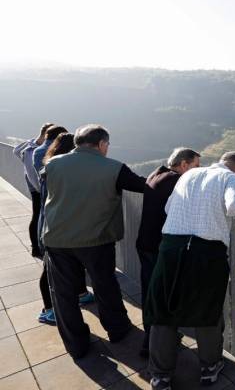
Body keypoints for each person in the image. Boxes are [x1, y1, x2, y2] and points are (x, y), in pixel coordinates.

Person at [145, 152, 235, 390]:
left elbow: (169, 207)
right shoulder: (231, 178)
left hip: (170, 249)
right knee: (208, 309)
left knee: (164, 310)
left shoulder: (189, 174)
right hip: (207, 253)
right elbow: (234, 206)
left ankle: (160, 376)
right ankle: (209, 367)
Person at [42, 124, 146, 359]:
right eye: (107, 145)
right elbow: (143, 186)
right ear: (101, 144)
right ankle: (118, 330)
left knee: (63, 294)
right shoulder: (114, 168)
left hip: (57, 238)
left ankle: (76, 345)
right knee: (105, 285)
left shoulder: (52, 164)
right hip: (96, 240)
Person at [136, 147, 201, 357]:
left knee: (150, 291)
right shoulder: (177, 181)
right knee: (163, 295)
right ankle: (157, 345)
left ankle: (152, 338)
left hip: (145, 242)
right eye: (196, 166)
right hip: (160, 246)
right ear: (184, 165)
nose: (198, 171)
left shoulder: (156, 174)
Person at [36, 133, 95, 325]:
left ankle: (80, 293)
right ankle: (49, 310)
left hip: (59, 226)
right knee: (49, 269)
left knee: (72, 263)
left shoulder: (53, 166)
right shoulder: (54, 169)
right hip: (53, 227)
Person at [13, 122, 53, 257]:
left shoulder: (29, 145)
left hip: (32, 186)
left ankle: (36, 247)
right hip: (38, 188)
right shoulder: (38, 150)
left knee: (36, 216)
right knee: (39, 217)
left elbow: (16, 150)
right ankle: (38, 247)